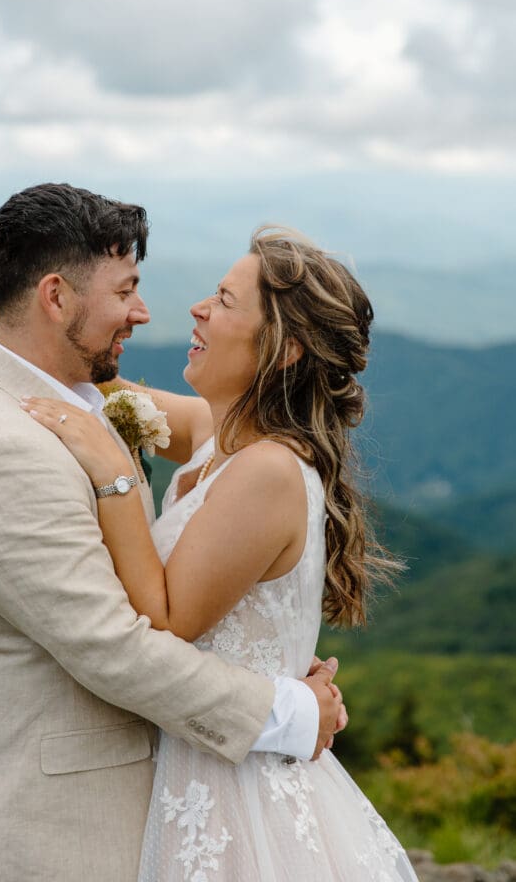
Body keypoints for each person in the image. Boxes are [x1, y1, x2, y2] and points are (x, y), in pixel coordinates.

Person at [0, 184, 345, 882]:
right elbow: (116, 646)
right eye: (126, 291)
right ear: (56, 297)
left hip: (183, 807)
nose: (149, 312)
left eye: (223, 301)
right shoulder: (1, 452)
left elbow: (120, 401)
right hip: (52, 836)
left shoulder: (222, 444)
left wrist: (22, 346)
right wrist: (292, 710)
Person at [21, 226, 418, 880]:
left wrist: (113, 478)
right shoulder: (219, 433)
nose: (199, 309)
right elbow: (109, 399)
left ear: (283, 349)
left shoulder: (266, 472)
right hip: (197, 760)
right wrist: (30, 337)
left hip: (235, 803)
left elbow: (168, 619)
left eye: (226, 302)